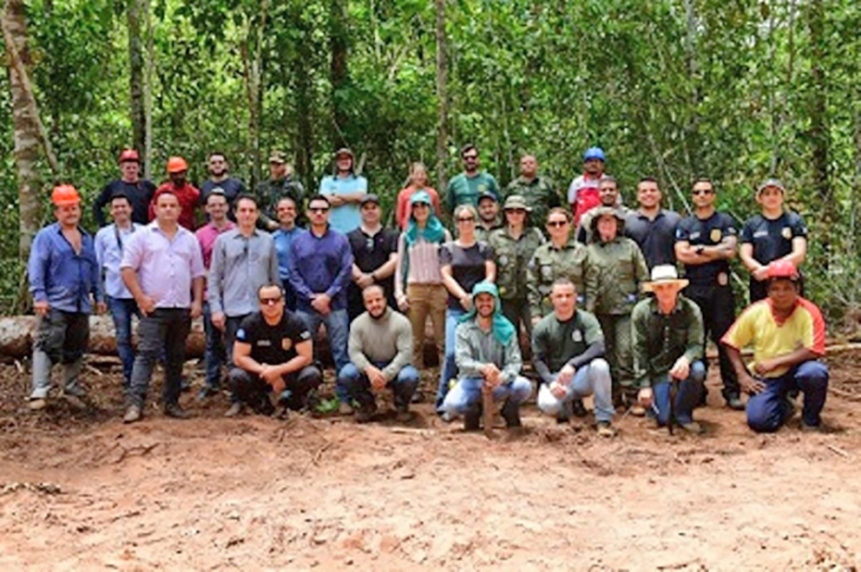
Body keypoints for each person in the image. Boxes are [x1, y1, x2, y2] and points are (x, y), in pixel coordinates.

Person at [121, 190, 205, 423]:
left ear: (179, 210)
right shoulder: (142, 237)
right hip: (154, 309)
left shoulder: (189, 238)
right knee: (146, 354)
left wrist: (197, 301)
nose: (168, 209)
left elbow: (198, 273)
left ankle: (172, 402)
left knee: (176, 357)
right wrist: (140, 298)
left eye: (173, 206)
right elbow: (127, 269)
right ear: (155, 208)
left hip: (181, 308)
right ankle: (135, 404)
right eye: (164, 205)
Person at [722, 261, 828, 433]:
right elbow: (730, 342)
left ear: (797, 289)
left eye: (787, 288)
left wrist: (777, 362)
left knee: (815, 373)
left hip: (797, 370)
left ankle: (811, 419)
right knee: (759, 422)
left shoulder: (809, 311)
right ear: (768, 291)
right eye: (775, 289)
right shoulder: (756, 311)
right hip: (768, 376)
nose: (781, 294)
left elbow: (814, 349)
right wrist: (742, 376)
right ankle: (784, 405)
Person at [28, 185, 104, 410]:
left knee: (76, 346)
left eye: (74, 208)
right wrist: (39, 295)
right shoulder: (47, 237)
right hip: (55, 301)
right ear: (57, 212)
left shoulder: (87, 237)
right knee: (46, 344)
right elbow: (37, 266)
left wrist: (98, 296)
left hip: (80, 303)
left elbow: (94, 269)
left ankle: (70, 386)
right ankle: (40, 389)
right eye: (65, 209)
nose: (71, 212)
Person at [208, 196, 281, 415]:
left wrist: (277, 305)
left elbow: (274, 277)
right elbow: (214, 277)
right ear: (236, 213)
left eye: (251, 210)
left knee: (263, 355)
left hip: (262, 311)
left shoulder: (267, 241)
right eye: (243, 210)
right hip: (233, 309)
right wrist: (216, 308)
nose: (247, 215)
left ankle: (262, 398)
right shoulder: (223, 241)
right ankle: (237, 399)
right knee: (235, 357)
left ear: (257, 214)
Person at [674, 178, 743, 410]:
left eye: (707, 191)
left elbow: (731, 250)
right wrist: (715, 251)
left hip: (720, 289)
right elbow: (682, 255)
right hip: (693, 288)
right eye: (697, 192)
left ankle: (731, 392)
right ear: (693, 196)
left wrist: (700, 250)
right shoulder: (685, 224)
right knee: (696, 340)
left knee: (725, 340)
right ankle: (698, 392)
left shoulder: (725, 220)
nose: (702, 195)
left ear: (713, 195)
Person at [288, 195, 354, 406]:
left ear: (329, 213)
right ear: (307, 213)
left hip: (336, 305)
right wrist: (310, 296)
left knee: (341, 353)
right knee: (303, 353)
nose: (319, 213)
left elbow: (346, 270)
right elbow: (293, 273)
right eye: (314, 209)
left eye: (323, 210)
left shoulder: (340, 239)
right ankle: (304, 397)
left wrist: (327, 296)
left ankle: (344, 398)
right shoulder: (298, 241)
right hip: (305, 307)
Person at [439, 282, 532, 431]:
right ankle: (473, 411)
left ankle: (509, 410)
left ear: (495, 302)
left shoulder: (507, 328)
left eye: (489, 300)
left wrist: (501, 377)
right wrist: (483, 368)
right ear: (474, 303)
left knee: (523, 387)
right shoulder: (463, 328)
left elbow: (514, 362)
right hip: (471, 382)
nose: (485, 304)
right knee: (451, 405)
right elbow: (462, 360)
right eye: (480, 300)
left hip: (499, 383)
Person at [584, 207, 649, 411]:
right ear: (596, 227)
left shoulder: (630, 247)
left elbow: (643, 277)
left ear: (618, 225)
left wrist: (642, 302)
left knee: (625, 351)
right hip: (600, 311)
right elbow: (586, 283)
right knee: (605, 353)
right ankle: (612, 396)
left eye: (610, 222)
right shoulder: (589, 250)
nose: (607, 225)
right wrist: (587, 313)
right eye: (602, 222)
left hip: (626, 309)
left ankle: (630, 395)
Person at [533, 279, 615, 436]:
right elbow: (538, 359)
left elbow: (598, 347)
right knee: (548, 404)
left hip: (581, 375)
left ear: (575, 297)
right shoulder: (543, 327)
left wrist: (573, 364)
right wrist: (550, 382)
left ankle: (603, 420)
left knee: (600, 366)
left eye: (568, 295)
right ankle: (565, 408)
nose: (564, 300)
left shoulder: (586, 319)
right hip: (557, 379)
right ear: (552, 298)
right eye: (559, 296)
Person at [228, 283, 323, 418]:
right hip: (260, 373)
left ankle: (293, 403)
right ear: (259, 304)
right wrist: (265, 371)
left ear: (283, 301)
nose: (270, 304)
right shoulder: (249, 324)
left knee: (312, 374)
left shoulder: (296, 323)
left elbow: (306, 356)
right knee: (236, 376)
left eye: (275, 300)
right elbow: (239, 357)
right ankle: (259, 404)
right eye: (265, 301)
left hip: (289, 372)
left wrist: (278, 371)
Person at [631, 265, 706, 434]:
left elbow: (697, 345)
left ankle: (683, 414)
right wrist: (644, 385)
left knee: (698, 370)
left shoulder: (691, 310)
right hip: (657, 371)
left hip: (683, 370)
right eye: (660, 287)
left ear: (677, 288)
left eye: (670, 286)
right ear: (654, 290)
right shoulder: (641, 312)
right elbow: (639, 350)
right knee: (663, 419)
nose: (665, 291)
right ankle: (660, 409)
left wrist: (686, 359)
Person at [438, 204, 496, 412]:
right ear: (456, 223)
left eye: (470, 219)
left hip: (482, 309)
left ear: (475, 221)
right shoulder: (448, 249)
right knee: (453, 354)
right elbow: (445, 275)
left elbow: (490, 274)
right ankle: (443, 399)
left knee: (481, 355)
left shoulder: (484, 248)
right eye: (462, 219)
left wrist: (478, 296)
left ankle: (481, 401)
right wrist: (463, 296)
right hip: (456, 307)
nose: (466, 223)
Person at [338, 285, 418, 423]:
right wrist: (369, 369)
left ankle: (401, 405)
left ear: (385, 300)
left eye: (378, 300)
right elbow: (354, 351)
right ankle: (367, 404)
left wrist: (387, 374)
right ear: (364, 304)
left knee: (410, 376)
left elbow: (405, 353)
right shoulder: (357, 324)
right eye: (369, 302)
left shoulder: (401, 322)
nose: (374, 304)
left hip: (395, 366)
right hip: (369, 366)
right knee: (346, 374)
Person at [394, 191, 451, 373]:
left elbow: (450, 266)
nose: (420, 210)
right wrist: (399, 293)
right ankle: (414, 382)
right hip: (415, 289)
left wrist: (450, 291)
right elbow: (400, 266)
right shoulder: (406, 236)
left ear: (430, 208)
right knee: (415, 341)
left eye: (423, 205)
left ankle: (446, 381)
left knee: (442, 340)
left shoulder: (443, 234)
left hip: (438, 289)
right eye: (416, 206)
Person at [95, 192, 143, 390]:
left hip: (141, 293)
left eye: (124, 206)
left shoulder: (142, 231)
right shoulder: (103, 235)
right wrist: (99, 295)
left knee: (153, 334)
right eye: (116, 207)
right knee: (123, 337)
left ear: (131, 208)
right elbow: (97, 266)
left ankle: (167, 375)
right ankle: (130, 377)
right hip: (116, 293)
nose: (120, 210)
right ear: (111, 211)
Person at [194, 190, 236, 400]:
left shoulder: (237, 231)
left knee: (234, 340)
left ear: (227, 207)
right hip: (211, 295)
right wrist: (198, 298)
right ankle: (211, 381)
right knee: (211, 342)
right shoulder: (200, 235)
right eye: (213, 205)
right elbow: (197, 269)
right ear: (207, 209)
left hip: (235, 296)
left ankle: (236, 381)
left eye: (221, 204)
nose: (217, 208)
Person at [739, 178, 808, 302]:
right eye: (767, 193)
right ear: (760, 198)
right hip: (761, 282)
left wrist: (770, 270)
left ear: (782, 197)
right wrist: (759, 270)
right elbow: (745, 254)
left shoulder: (794, 221)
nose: (772, 197)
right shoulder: (751, 224)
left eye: (776, 193)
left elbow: (799, 254)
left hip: (789, 281)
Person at [488, 195, 544, 342]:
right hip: (505, 296)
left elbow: (544, 261)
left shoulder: (535, 235)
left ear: (525, 214)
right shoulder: (495, 237)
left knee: (536, 334)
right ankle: (513, 365)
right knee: (509, 337)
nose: (515, 215)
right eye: (510, 211)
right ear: (505, 214)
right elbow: (490, 267)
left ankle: (538, 364)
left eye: (519, 211)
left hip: (530, 295)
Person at [527, 208, 587, 323]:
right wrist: (535, 313)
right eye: (553, 224)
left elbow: (591, 284)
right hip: (548, 312)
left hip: (578, 311)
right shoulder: (540, 253)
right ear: (547, 227)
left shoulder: (582, 252)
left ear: (570, 225)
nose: (557, 227)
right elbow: (532, 285)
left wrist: (589, 312)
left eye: (562, 223)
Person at [347, 194, 399, 321]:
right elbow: (347, 261)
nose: (370, 211)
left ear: (380, 210)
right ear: (360, 212)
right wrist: (361, 278)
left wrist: (373, 277)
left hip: (386, 293)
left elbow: (395, 261)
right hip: (357, 293)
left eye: (374, 207)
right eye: (366, 208)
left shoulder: (392, 235)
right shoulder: (350, 237)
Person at [624, 177, 681, 269]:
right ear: (638, 196)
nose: (648, 194)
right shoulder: (628, 222)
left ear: (660, 194)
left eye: (653, 190)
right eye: (644, 191)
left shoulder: (674, 219)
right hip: (639, 277)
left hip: (669, 276)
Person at [93, 149, 157, 227]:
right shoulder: (113, 186)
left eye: (134, 168)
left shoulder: (148, 186)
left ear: (139, 168)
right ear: (121, 168)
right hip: (120, 230)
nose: (131, 170)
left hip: (144, 229)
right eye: (128, 168)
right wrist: (103, 224)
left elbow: (157, 206)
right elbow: (97, 205)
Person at [504, 154, 560, 235]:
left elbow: (556, 207)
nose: (528, 165)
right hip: (520, 231)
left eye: (531, 163)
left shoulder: (547, 184)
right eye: (524, 163)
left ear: (537, 165)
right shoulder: (512, 187)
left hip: (544, 230)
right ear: (520, 167)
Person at [319, 147, 367, 235]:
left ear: (352, 161)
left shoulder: (360, 180)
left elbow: (360, 197)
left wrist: (336, 195)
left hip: (356, 230)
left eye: (347, 158)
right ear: (336, 162)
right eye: (341, 159)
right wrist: (350, 198)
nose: (344, 161)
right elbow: (326, 201)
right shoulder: (327, 181)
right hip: (332, 231)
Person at [256, 151, 306, 231]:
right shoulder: (262, 187)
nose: (275, 167)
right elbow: (256, 209)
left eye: (278, 164)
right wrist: (267, 222)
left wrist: (289, 178)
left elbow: (300, 202)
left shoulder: (293, 185)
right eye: (272, 164)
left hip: (291, 229)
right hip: (266, 229)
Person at [445, 144, 500, 217]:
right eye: (466, 158)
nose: (470, 160)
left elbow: (498, 202)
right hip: (464, 223)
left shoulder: (489, 180)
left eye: (473, 157)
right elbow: (449, 207)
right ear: (462, 161)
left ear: (478, 159)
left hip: (485, 223)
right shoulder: (454, 182)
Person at [272, 196, 306, 311]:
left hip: (303, 284)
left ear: (296, 212)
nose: (286, 212)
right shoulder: (271, 239)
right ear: (277, 214)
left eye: (290, 208)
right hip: (282, 285)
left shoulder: (306, 236)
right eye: (281, 209)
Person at [149, 156, 200, 231]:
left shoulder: (193, 192)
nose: (179, 177)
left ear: (185, 173)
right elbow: (152, 211)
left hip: (186, 230)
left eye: (181, 173)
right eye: (175, 174)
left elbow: (202, 210)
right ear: (170, 175)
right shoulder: (162, 190)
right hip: (163, 229)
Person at [576, 177, 628, 244]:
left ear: (617, 192)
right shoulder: (587, 217)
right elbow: (580, 244)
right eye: (604, 190)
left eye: (611, 190)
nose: (607, 193)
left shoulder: (628, 216)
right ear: (598, 192)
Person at [567, 146, 608, 226]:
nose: (593, 164)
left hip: (603, 225)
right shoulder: (577, 183)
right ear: (584, 164)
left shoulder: (608, 182)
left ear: (602, 165)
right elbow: (572, 204)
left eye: (596, 161)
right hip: (581, 225)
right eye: (590, 161)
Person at [395, 162, 441, 231]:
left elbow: (437, 214)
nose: (420, 177)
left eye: (422, 174)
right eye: (417, 174)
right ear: (411, 176)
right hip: (409, 232)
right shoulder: (403, 194)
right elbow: (399, 217)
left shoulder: (432, 193)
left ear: (426, 176)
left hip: (430, 231)